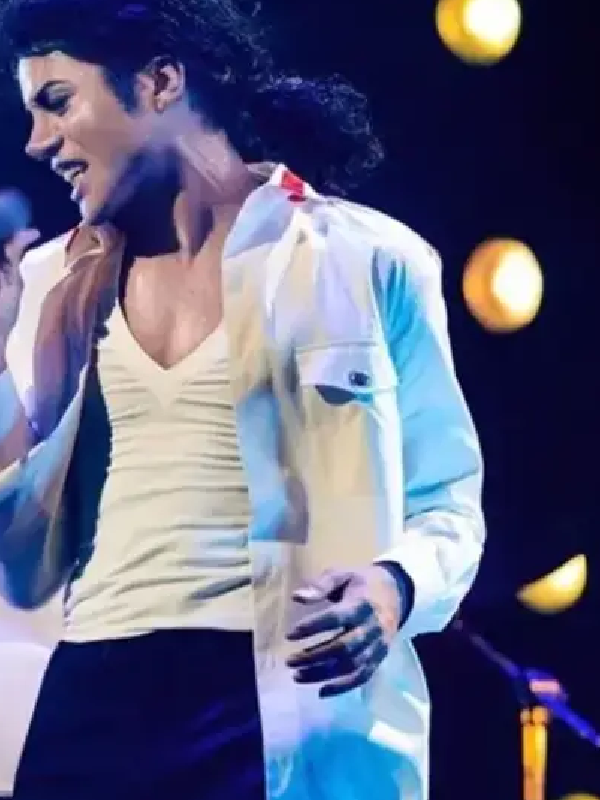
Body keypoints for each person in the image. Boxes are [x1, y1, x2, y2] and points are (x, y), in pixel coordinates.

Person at [0, 0, 485, 798]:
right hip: (88, 698)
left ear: (160, 82)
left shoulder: (367, 260)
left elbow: (449, 501)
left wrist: (394, 586)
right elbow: (18, 561)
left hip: (278, 701)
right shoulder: (46, 284)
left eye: (57, 102)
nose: (36, 142)